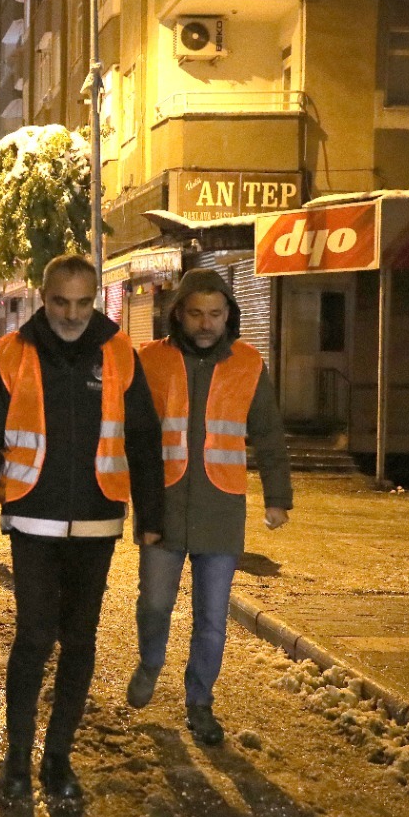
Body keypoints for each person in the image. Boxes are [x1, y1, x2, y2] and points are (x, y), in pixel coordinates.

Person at [0, 253, 165, 801]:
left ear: (95, 298)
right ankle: (16, 756)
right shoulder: (13, 353)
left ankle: (57, 760)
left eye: (83, 302)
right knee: (34, 636)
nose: (72, 314)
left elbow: (145, 437)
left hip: (99, 520)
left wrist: (152, 515)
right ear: (42, 297)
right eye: (61, 302)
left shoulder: (120, 352)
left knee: (80, 640)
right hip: (33, 516)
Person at [128, 268, 292, 745]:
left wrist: (278, 497)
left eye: (215, 314)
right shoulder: (149, 360)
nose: (205, 323)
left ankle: (200, 703)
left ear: (228, 316)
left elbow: (267, 433)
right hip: (162, 506)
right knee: (154, 605)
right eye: (196, 313)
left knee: (212, 623)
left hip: (221, 509)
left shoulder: (249, 363)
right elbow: (133, 436)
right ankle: (150, 662)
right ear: (178, 312)